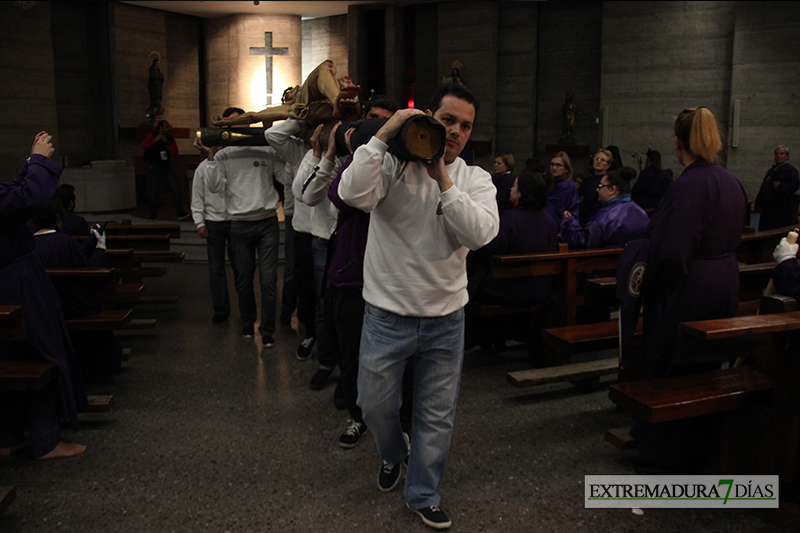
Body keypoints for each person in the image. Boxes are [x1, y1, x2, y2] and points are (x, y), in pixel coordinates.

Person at [338, 83, 499, 530]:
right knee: (373, 406)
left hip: (446, 320)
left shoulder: (474, 179)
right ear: (430, 117)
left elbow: (480, 234)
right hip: (387, 316)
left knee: (436, 415)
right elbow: (352, 194)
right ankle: (393, 452)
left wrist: (442, 178)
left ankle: (423, 492)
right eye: (448, 120)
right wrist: (386, 132)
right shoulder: (391, 164)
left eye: (465, 126)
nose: (456, 132)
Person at [633, 106, 747, 473]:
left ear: (678, 142)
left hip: (688, 289)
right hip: (724, 283)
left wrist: (650, 286)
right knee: (706, 369)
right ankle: (700, 445)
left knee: (669, 367)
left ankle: (664, 454)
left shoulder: (688, 185)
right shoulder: (730, 181)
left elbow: (672, 252)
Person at [0, 131, 86, 459]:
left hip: (9, 277)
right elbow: (27, 201)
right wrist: (38, 160)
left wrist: (28, 166)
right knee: (43, 350)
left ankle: (7, 437)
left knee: (8, 355)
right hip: (16, 281)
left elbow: (10, 196)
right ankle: (45, 439)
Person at [324, 95, 400, 448]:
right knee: (353, 356)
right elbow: (340, 196)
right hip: (353, 276)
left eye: (385, 124)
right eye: (371, 122)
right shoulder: (356, 163)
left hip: (388, 280)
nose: (375, 130)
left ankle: (393, 423)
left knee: (392, 364)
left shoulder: (403, 164)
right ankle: (357, 418)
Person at [209, 108, 289, 346]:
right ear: (226, 128)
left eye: (241, 122)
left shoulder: (264, 147)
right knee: (243, 279)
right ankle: (247, 321)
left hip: (266, 222)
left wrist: (293, 156)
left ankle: (267, 330)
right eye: (232, 124)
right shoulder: (224, 155)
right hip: (239, 225)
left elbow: (283, 177)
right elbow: (214, 187)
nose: (237, 127)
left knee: (268, 279)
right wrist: (211, 156)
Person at [31, 198, 122, 385]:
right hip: (71, 306)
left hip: (42, 310)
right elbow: (89, 272)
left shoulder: (29, 244)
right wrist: (100, 250)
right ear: (58, 218)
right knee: (95, 306)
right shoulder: (63, 242)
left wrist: (91, 242)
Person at [467, 172, 558, 350]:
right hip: (538, 288)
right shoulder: (549, 220)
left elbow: (486, 252)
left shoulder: (508, 219)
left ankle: (483, 338)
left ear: (522, 192)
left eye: (515, 185)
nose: (511, 188)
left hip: (506, 289)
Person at [191, 136, 233, 324]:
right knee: (216, 268)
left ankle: (247, 309)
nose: (218, 149)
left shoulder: (233, 165)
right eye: (215, 146)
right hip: (213, 221)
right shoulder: (202, 168)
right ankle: (221, 309)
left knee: (241, 266)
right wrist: (199, 222)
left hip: (234, 220)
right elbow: (197, 196)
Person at [561, 166, 649, 249]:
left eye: (600, 186)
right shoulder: (642, 214)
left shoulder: (605, 218)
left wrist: (569, 222)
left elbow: (582, 241)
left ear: (612, 190)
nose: (597, 190)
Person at [141, 120, 189, 221]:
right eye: (166, 126)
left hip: (166, 168)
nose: (169, 129)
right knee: (154, 191)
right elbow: (144, 145)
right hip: (154, 167)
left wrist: (167, 143)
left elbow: (175, 152)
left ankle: (180, 213)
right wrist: (156, 139)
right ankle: (154, 215)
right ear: (160, 128)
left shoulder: (170, 139)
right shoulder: (152, 135)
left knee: (174, 190)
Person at [754, 145, 799, 231]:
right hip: (767, 209)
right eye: (777, 154)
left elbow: (795, 186)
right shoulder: (771, 171)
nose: (779, 156)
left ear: (787, 156)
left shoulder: (791, 170)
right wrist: (758, 202)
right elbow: (764, 187)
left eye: (782, 153)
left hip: (780, 209)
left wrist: (781, 186)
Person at [578, 148, 612, 226]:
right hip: (582, 217)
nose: (599, 161)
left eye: (603, 160)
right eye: (597, 159)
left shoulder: (607, 181)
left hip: (596, 219)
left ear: (608, 165)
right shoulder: (586, 180)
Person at [543, 151, 579, 224]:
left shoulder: (566, 185)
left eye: (558, 165)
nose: (554, 168)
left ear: (566, 169)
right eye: (552, 164)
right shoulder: (552, 182)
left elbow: (556, 208)